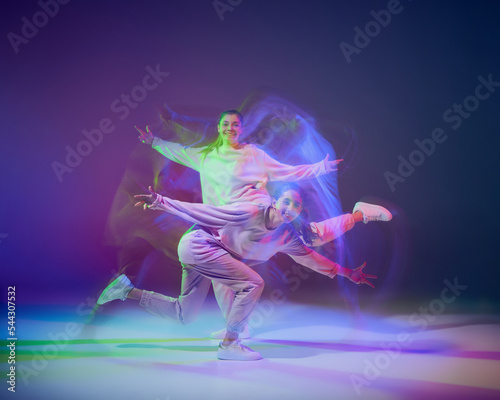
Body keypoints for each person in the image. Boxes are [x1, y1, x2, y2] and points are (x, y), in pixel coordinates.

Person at [97, 183, 378, 361]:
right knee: (253, 283)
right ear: (274, 200)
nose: (290, 208)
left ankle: (125, 290)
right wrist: (161, 201)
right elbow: (205, 212)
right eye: (286, 201)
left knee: (185, 315)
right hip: (199, 244)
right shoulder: (249, 211)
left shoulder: (288, 236)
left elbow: (311, 259)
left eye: (296, 205)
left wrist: (347, 273)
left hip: (206, 256)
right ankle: (230, 344)